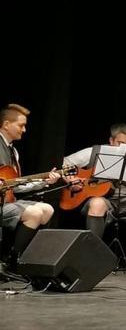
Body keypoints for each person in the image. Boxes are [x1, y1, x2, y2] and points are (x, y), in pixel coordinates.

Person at [63, 124, 126, 272]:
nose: (124, 147)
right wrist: (72, 180)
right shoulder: (95, 152)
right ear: (111, 140)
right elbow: (65, 162)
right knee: (97, 204)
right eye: (120, 143)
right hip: (104, 199)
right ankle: (92, 258)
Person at [0, 104, 59, 269]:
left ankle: (23, 257)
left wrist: (46, 181)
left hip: (6, 203)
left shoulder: (13, 152)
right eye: (21, 125)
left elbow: (16, 187)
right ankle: (12, 262)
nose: (24, 130)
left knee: (47, 209)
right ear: (6, 125)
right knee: (34, 212)